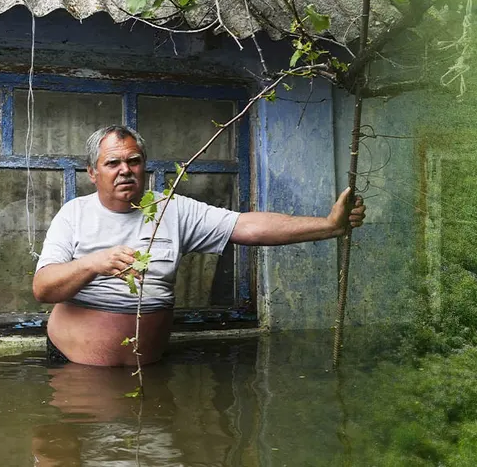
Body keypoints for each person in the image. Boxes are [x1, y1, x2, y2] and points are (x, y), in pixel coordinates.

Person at [33, 125, 365, 366]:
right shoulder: (74, 214)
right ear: (93, 172)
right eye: (112, 163)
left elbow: (247, 226)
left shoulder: (172, 209)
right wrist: (92, 264)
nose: (125, 171)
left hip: (148, 368)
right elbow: (43, 289)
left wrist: (328, 226)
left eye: (133, 161)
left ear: (145, 165)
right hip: (72, 366)